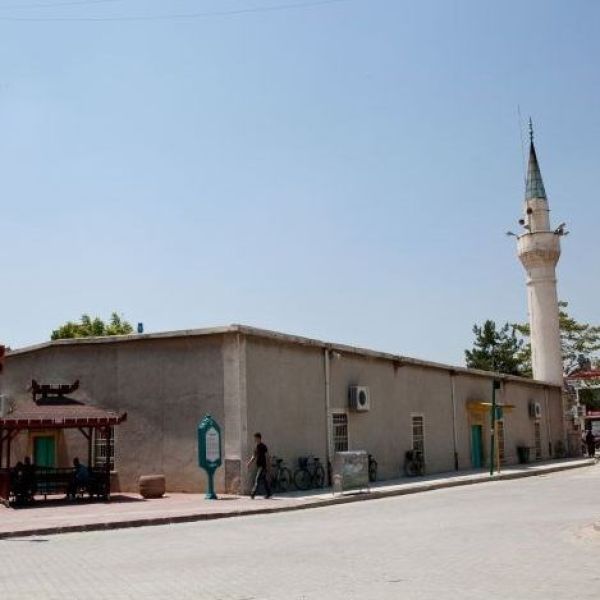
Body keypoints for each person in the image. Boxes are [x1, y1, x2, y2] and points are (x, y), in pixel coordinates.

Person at [247, 432, 272, 499]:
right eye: (254, 438)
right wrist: (249, 462)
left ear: (259, 438)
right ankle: (269, 493)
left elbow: (267, 456)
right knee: (264, 480)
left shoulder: (263, 446)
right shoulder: (256, 447)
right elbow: (254, 456)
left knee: (257, 479)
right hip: (258, 466)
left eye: (256, 438)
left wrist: (268, 465)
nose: (255, 439)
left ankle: (253, 494)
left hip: (263, 466)